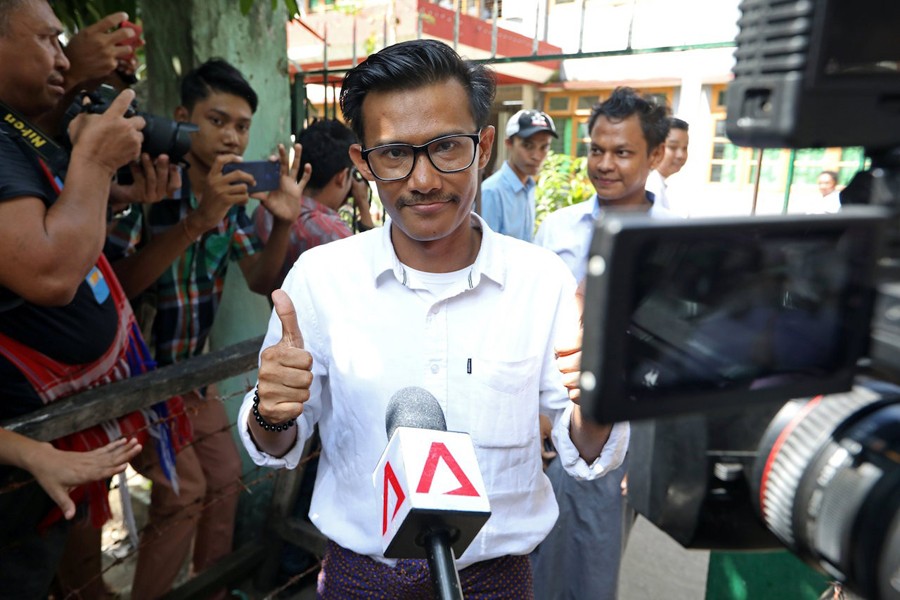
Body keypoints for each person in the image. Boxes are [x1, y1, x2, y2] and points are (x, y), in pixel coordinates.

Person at [238, 38, 628, 598]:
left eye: (446, 147)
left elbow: (585, 451)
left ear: (484, 146)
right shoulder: (319, 282)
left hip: (498, 582)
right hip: (359, 580)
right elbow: (277, 444)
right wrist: (272, 413)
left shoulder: (542, 284)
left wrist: (596, 403)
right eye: (394, 154)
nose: (422, 180)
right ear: (362, 163)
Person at [0, 1, 186, 597]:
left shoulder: (18, 135)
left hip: (32, 446)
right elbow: (51, 273)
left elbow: (60, 242)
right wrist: (97, 159)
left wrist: (108, 186)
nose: (63, 56)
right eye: (50, 41)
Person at [104, 58, 308, 600]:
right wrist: (197, 221)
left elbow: (261, 280)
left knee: (225, 482)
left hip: (193, 379)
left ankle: (209, 590)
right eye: (217, 120)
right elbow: (117, 285)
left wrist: (283, 219)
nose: (231, 136)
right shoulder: (143, 188)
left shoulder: (235, 197)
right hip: (133, 384)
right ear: (182, 118)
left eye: (241, 126)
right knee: (185, 489)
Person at [532, 86, 672, 600]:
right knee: (539, 555)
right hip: (552, 424)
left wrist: (655, 452)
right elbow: (533, 328)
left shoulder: (676, 241)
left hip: (628, 428)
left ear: (655, 155)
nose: (604, 164)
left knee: (592, 561)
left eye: (622, 152)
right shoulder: (558, 230)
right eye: (596, 149)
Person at [253, 118, 375, 290]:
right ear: (342, 177)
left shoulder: (264, 211)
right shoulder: (333, 234)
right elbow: (373, 277)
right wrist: (363, 205)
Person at [479, 108, 557, 241]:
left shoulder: (528, 186)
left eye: (544, 147)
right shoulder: (492, 192)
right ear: (509, 143)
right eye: (528, 145)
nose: (537, 156)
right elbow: (486, 251)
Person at [645, 116, 689, 214]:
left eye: (684, 148)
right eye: (673, 147)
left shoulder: (659, 182)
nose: (680, 155)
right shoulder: (649, 185)